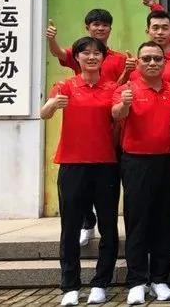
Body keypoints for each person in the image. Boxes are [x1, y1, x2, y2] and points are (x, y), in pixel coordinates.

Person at [41, 37, 120, 307]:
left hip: (106, 165)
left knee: (108, 226)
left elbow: (119, 114)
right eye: (85, 53)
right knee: (71, 227)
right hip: (72, 164)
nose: (91, 57)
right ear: (76, 58)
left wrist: (124, 105)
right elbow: (44, 113)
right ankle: (70, 285)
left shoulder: (112, 88)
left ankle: (101, 283)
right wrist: (53, 104)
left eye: (97, 53)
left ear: (103, 58)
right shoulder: (66, 85)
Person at [46, 10, 134, 246]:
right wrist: (51, 39)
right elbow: (59, 53)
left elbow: (119, 89)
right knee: (77, 192)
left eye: (105, 25)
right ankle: (87, 223)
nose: (100, 28)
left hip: (111, 132)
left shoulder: (118, 59)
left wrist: (127, 72)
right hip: (81, 128)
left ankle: (104, 238)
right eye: (96, 24)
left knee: (106, 193)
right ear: (87, 27)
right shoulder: (79, 56)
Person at [112, 42, 170, 305]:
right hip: (136, 163)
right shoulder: (126, 89)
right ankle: (137, 281)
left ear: (164, 62)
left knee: (166, 220)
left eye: (157, 58)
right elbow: (116, 114)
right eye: (147, 59)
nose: (152, 63)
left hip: (169, 161)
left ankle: (159, 279)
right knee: (138, 221)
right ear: (138, 62)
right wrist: (124, 105)